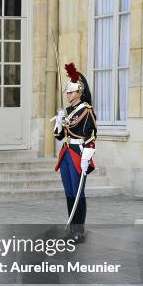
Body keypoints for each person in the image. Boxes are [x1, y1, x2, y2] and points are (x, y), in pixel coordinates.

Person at [53, 63, 97, 243]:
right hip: (66, 151)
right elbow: (59, 136)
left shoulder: (86, 110)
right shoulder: (69, 111)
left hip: (79, 152)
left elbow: (92, 133)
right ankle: (72, 228)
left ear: (79, 92)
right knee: (69, 192)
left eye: (71, 92)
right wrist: (59, 122)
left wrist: (88, 154)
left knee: (79, 192)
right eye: (67, 92)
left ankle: (80, 230)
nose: (68, 95)